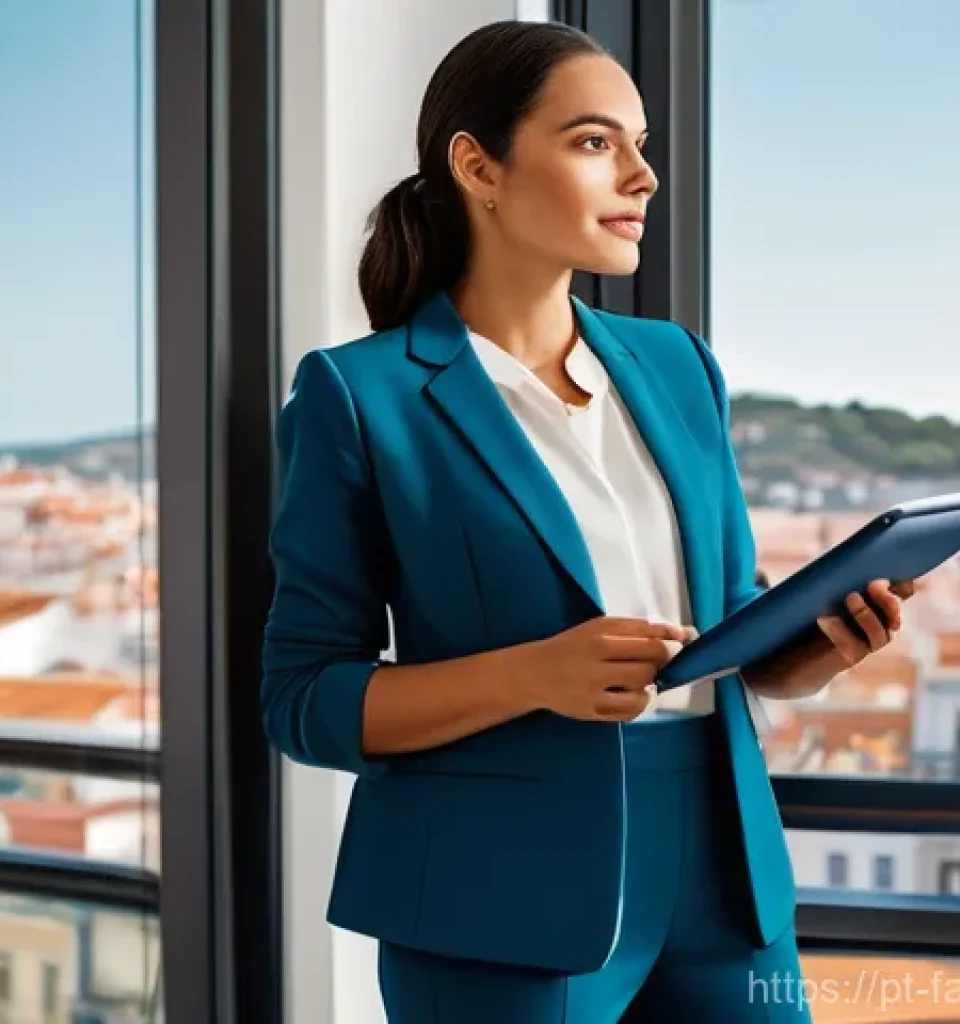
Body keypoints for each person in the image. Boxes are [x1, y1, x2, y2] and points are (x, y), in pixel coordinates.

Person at [261, 20, 914, 1023]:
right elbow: (303, 700)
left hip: (724, 876)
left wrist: (817, 645)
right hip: (494, 901)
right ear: (477, 166)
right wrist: (532, 675)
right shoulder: (359, 396)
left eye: (641, 143)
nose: (642, 176)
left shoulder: (677, 367)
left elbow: (728, 633)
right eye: (594, 141)